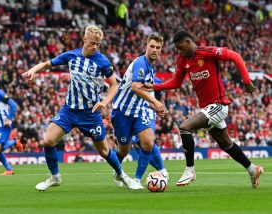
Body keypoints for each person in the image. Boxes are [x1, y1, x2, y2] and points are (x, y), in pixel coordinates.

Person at [22, 25, 140, 191]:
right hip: (69, 110)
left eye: (97, 44)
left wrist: (104, 102)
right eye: (92, 43)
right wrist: (33, 70)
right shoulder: (72, 55)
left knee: (104, 151)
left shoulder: (102, 61)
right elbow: (48, 64)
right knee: (48, 141)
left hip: (90, 114)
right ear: (84, 39)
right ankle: (55, 177)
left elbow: (114, 85)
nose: (94, 47)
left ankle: (122, 175)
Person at [141, 30, 264, 188]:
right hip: (207, 107)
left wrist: (246, 80)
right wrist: (154, 86)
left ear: (188, 42)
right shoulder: (183, 60)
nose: (179, 51)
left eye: (180, 47)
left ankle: (190, 170)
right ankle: (253, 169)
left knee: (185, 127)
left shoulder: (208, 52)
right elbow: (176, 82)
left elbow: (236, 56)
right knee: (226, 144)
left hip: (218, 105)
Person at [111, 33, 168, 189]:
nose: (154, 50)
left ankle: (136, 179)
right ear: (146, 46)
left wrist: (156, 107)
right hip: (122, 113)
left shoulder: (151, 69)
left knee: (148, 142)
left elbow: (141, 96)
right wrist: (156, 102)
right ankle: (117, 171)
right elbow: (136, 88)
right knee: (124, 149)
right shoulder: (141, 64)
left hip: (139, 112)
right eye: (152, 46)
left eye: (158, 47)